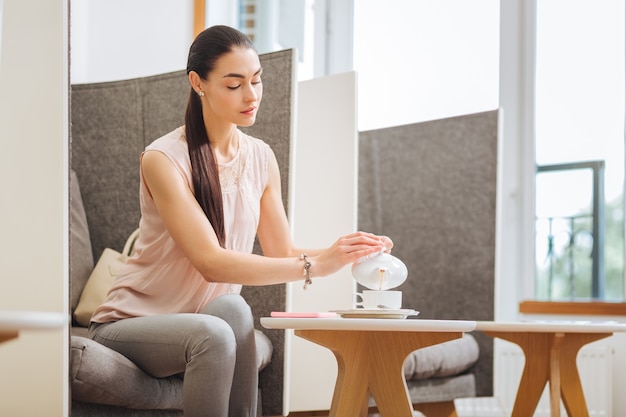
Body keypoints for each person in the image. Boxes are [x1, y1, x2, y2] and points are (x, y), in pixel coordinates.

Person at [89, 25, 392, 417]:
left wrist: (347, 253)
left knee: (233, 308)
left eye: (256, 80)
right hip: (131, 324)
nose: (251, 96)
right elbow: (211, 261)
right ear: (198, 82)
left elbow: (282, 251)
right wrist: (316, 266)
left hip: (200, 320)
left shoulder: (261, 157)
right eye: (234, 85)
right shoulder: (163, 159)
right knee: (215, 330)